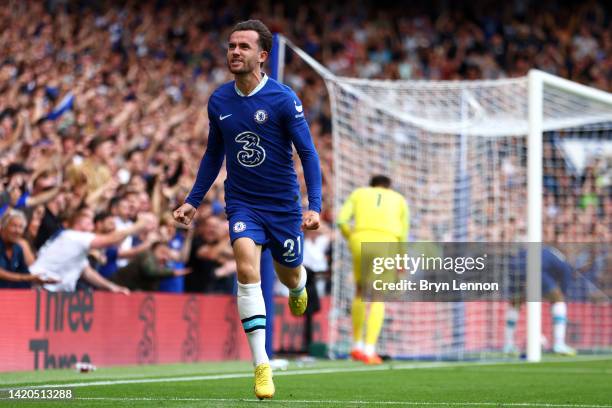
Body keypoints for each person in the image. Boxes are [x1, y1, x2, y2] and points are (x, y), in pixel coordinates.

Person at [173, 20, 322, 400]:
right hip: (242, 202)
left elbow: (307, 153)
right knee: (245, 268)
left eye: (243, 46)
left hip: (284, 205)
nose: (235, 52)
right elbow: (213, 154)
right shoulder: (219, 100)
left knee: (289, 276)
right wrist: (193, 200)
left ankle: (300, 282)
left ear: (262, 55)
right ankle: (261, 365)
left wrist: (314, 206)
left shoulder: (284, 99)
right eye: (231, 45)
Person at [337, 175, 409, 364]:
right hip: (387, 242)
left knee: (360, 291)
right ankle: (369, 350)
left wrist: (350, 236)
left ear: (371, 185)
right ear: (389, 186)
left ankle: (356, 346)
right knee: (377, 296)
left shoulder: (359, 193)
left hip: (359, 240)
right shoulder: (399, 199)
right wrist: (402, 258)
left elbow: (341, 221)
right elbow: (403, 233)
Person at [29, 207, 156, 293]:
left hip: (47, 292)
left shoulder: (75, 244)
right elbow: (112, 240)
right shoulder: (73, 236)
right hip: (38, 288)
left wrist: (113, 288)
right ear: (76, 223)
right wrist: (140, 224)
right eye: (86, 219)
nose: (91, 222)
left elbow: (88, 273)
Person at [504, 246, 577, 356]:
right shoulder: (562, 259)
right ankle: (559, 344)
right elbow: (566, 275)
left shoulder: (545, 250)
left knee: (515, 303)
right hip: (536, 269)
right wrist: (562, 294)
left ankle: (508, 345)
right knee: (558, 299)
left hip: (516, 267)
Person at [0, 209, 56, 288]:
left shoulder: (18, 249)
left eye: (21, 227)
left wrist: (40, 279)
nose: (17, 231)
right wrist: (24, 278)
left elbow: (26, 273)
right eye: (14, 226)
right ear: (3, 227)